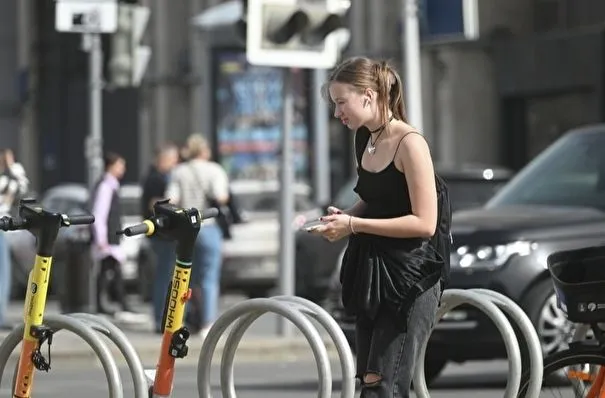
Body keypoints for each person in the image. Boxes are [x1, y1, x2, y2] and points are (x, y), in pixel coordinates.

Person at [313, 57, 449, 398]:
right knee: (371, 383)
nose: (337, 113)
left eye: (341, 102)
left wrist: (353, 224)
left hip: (411, 278)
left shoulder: (410, 143)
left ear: (369, 97)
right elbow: (376, 200)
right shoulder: (365, 138)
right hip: (374, 275)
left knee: (386, 386)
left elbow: (425, 223)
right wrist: (343, 217)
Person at [166, 134, 229, 338]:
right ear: (205, 151)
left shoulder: (179, 171)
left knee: (186, 276)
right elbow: (221, 196)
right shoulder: (214, 170)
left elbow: (172, 199)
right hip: (208, 225)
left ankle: (184, 319)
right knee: (209, 277)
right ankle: (207, 322)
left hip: (186, 229)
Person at [91, 152, 137, 317]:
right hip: (107, 237)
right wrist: (101, 238)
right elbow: (100, 213)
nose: (123, 168)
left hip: (112, 235)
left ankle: (112, 302)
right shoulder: (106, 186)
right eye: (120, 165)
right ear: (111, 166)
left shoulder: (112, 185)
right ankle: (112, 303)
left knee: (109, 270)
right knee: (108, 270)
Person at [141, 143, 180, 333]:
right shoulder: (156, 178)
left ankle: (163, 318)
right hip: (161, 235)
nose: (176, 163)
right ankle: (160, 319)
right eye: (173, 159)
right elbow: (152, 204)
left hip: (163, 236)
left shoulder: (158, 176)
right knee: (164, 277)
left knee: (166, 276)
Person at [0, 149, 29, 330]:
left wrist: (11, 166)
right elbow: (20, 185)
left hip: (2, 228)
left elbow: (22, 186)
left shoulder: (8, 178)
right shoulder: (4, 180)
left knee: (4, 274)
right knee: (3, 274)